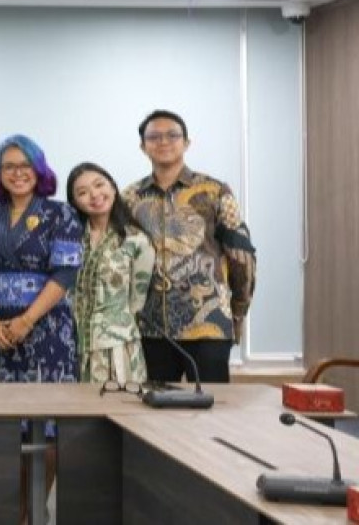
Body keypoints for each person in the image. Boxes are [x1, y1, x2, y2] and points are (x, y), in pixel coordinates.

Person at [123, 109, 256, 384]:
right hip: (151, 326)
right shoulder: (130, 198)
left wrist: (239, 311)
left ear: (186, 142)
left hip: (208, 325)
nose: (164, 141)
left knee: (212, 411)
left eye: (172, 135)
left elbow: (242, 256)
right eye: (154, 136)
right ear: (142, 146)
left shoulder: (215, 191)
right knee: (153, 414)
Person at [0, 135, 82, 383]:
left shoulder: (61, 213)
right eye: (8, 166)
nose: (17, 173)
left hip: (47, 327)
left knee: (47, 409)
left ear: (38, 169)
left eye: (25, 165)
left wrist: (26, 321)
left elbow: (65, 273)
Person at [65, 162, 154, 385]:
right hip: (72, 344)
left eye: (99, 185)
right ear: (74, 202)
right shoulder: (70, 238)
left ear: (113, 187)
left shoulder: (137, 241)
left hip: (118, 348)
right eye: (82, 192)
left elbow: (136, 304)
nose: (94, 195)